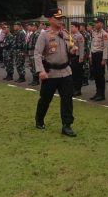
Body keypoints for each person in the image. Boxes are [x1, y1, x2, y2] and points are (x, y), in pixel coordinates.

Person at [34, 8, 77, 137]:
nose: (60, 20)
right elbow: (37, 53)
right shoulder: (44, 35)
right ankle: (39, 118)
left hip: (65, 72)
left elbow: (70, 49)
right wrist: (40, 70)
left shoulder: (66, 33)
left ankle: (67, 125)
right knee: (45, 99)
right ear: (50, 19)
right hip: (50, 73)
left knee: (67, 100)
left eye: (61, 18)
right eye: (57, 18)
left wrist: (73, 50)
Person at [89, 17, 108, 102]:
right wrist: (90, 55)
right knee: (96, 75)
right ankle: (97, 93)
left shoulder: (104, 34)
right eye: (95, 23)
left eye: (97, 22)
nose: (95, 24)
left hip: (100, 55)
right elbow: (92, 44)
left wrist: (104, 59)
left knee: (100, 75)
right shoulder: (93, 32)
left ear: (101, 24)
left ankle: (101, 94)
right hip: (94, 54)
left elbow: (105, 47)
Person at [70, 22, 85, 97]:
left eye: (72, 26)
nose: (71, 28)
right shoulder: (71, 35)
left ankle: (78, 90)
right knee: (72, 74)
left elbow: (81, 47)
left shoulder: (79, 36)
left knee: (77, 74)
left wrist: (81, 58)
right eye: (71, 26)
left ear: (77, 27)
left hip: (77, 57)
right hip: (71, 57)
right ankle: (73, 89)